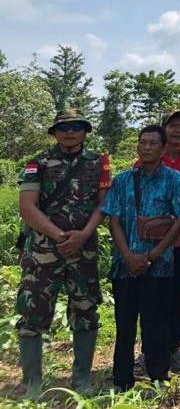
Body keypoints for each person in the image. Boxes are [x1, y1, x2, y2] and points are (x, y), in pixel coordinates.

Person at [16, 108, 111, 394]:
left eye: (76, 126)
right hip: (44, 252)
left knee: (86, 311)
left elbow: (103, 204)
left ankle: (81, 380)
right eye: (64, 127)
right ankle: (32, 383)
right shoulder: (38, 163)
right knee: (32, 313)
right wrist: (59, 236)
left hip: (83, 251)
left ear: (85, 131)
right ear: (55, 132)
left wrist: (82, 235)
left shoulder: (99, 163)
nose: (70, 131)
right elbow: (27, 207)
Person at [103, 125, 180, 390]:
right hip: (125, 266)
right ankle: (122, 380)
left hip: (160, 265)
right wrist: (128, 255)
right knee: (125, 326)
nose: (146, 147)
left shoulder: (174, 179)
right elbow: (114, 219)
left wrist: (153, 254)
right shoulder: (122, 180)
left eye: (153, 143)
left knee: (157, 325)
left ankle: (158, 376)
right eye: (143, 142)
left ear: (163, 148)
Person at [134, 110, 180, 376]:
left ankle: (174, 349)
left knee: (179, 295)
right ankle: (148, 351)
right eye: (173, 125)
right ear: (164, 130)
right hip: (153, 242)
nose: (178, 130)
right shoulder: (148, 158)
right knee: (152, 297)